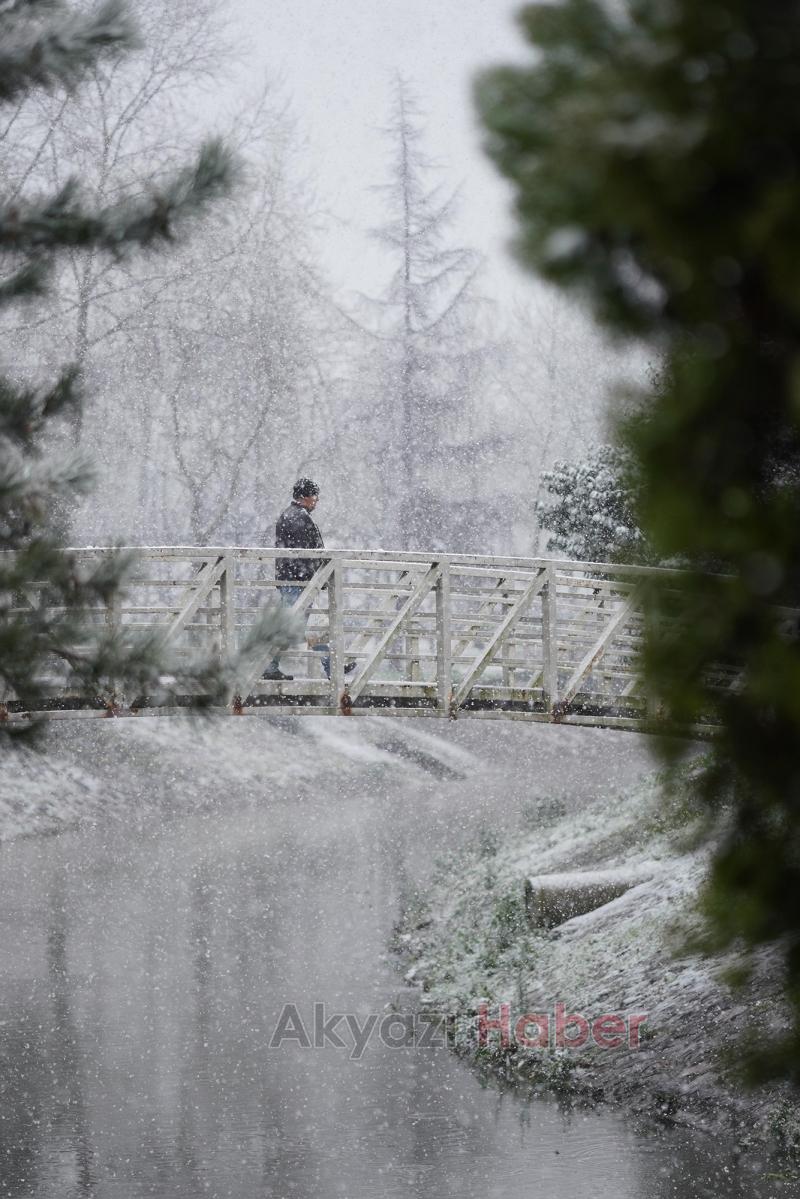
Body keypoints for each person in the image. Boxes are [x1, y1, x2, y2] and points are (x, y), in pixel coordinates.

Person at [263, 478, 355, 681]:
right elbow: (307, 553)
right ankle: (268, 667)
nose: (317, 500)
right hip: (299, 583)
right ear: (305, 497)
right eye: (314, 496)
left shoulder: (290, 515)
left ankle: (332, 667)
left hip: (296, 582)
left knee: (312, 626)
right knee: (292, 627)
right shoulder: (299, 518)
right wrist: (317, 571)